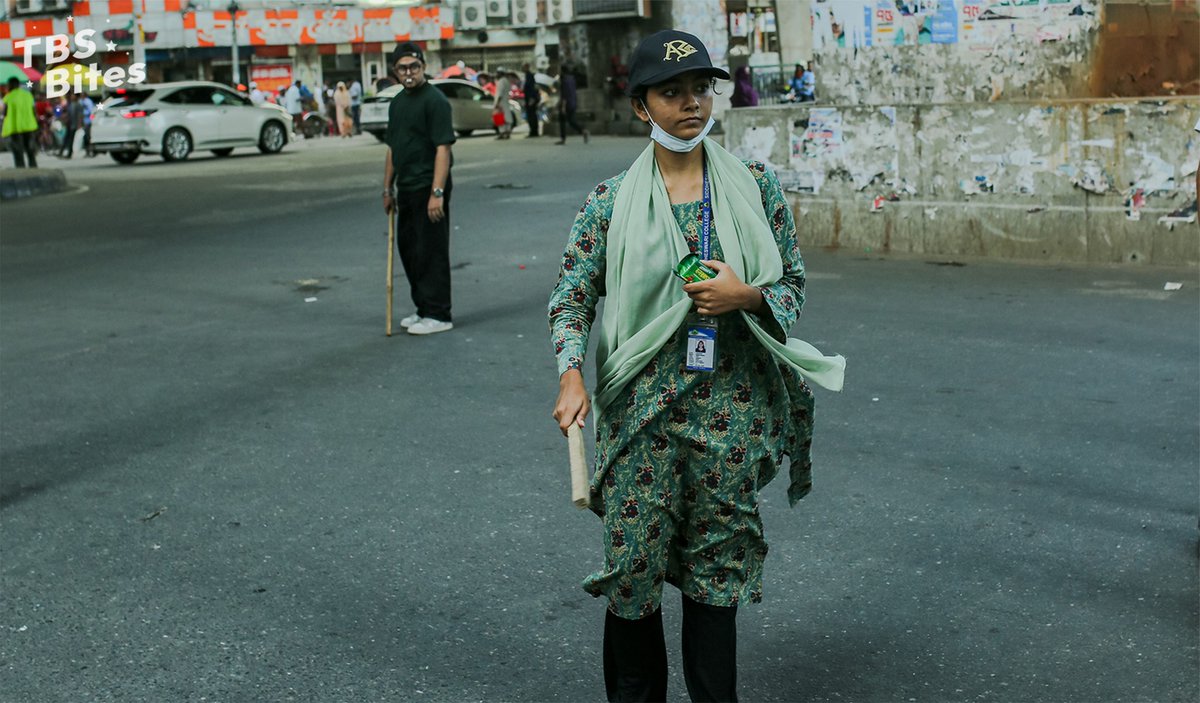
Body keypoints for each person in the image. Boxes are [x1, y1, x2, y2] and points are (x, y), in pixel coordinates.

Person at [548, 29, 845, 702]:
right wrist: (571, 371)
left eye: (700, 89)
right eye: (670, 92)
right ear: (639, 107)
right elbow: (572, 296)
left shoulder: (756, 188)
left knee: (718, 568)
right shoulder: (609, 202)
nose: (690, 104)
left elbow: (792, 286)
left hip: (728, 415)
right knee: (632, 570)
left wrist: (747, 295)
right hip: (641, 420)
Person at [381, 42, 456, 336]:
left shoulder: (435, 101)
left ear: (423, 67)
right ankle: (423, 308)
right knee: (409, 249)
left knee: (431, 250)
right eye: (403, 68)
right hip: (407, 187)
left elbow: (443, 148)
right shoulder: (397, 103)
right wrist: (387, 188)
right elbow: (392, 149)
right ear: (395, 71)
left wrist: (437, 193)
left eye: (414, 66)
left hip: (429, 186)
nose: (409, 72)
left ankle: (439, 313)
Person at [2, 77, 39, 168]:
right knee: (30, 148)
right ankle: (33, 165)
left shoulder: (8, 97)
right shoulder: (28, 95)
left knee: (18, 149)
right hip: (29, 126)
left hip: (15, 127)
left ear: (11, 85)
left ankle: (20, 167)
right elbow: (34, 110)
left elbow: (5, 112)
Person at [554, 65, 590, 145]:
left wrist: (562, 106)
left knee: (562, 121)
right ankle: (583, 131)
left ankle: (563, 139)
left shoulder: (564, 81)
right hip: (572, 102)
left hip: (566, 104)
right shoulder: (572, 79)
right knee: (571, 121)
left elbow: (564, 95)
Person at [59, 92, 83, 158]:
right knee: (66, 138)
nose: (72, 97)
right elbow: (68, 114)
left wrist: (79, 125)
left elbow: (80, 116)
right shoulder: (71, 104)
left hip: (74, 125)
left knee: (71, 139)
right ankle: (61, 152)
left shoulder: (78, 105)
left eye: (73, 96)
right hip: (69, 124)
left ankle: (69, 154)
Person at [492, 68, 514, 140]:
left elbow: (500, 93)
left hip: (501, 102)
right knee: (507, 117)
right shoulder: (507, 81)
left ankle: (502, 133)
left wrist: (497, 103)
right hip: (505, 101)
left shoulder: (501, 81)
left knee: (500, 118)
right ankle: (507, 132)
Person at [522, 63, 541, 138]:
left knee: (532, 115)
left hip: (531, 99)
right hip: (529, 98)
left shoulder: (529, 76)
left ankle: (534, 131)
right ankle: (533, 131)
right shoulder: (527, 76)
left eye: (523, 67)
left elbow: (532, 88)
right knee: (531, 115)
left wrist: (532, 98)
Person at [80, 93, 95, 157]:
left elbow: (91, 111)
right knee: (85, 137)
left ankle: (92, 151)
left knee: (88, 137)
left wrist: (84, 113)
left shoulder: (88, 101)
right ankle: (87, 151)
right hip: (83, 122)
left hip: (88, 121)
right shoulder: (80, 101)